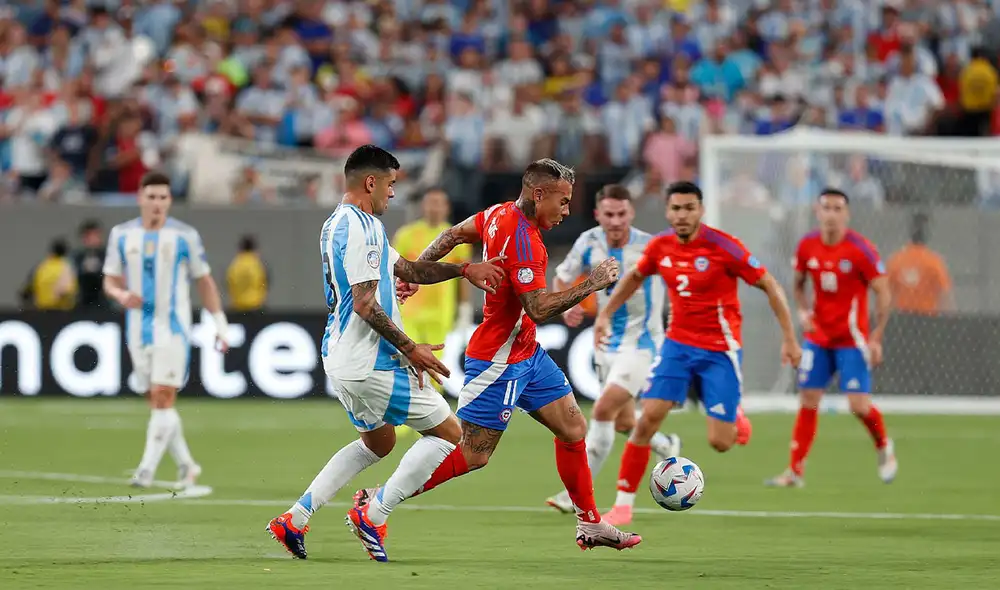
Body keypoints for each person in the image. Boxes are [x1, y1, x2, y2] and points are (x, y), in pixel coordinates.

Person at [359, 158, 643, 552]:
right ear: (538, 194)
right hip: (500, 358)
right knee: (473, 455)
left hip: (527, 352)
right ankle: (378, 501)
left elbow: (452, 235)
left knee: (573, 428)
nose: (566, 211)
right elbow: (538, 308)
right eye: (563, 202)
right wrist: (590, 284)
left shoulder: (498, 213)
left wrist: (416, 273)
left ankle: (590, 523)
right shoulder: (526, 241)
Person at [265, 146, 505, 562]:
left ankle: (295, 518)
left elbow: (409, 270)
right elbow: (364, 303)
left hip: (340, 356)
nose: (393, 193)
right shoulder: (364, 228)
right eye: (391, 184)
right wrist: (411, 348)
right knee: (453, 436)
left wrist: (464, 269)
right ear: (371, 182)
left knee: (379, 442)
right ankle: (373, 514)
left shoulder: (337, 223)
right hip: (370, 361)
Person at [600, 181, 801, 526]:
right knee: (647, 419)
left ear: (701, 210)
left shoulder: (724, 247)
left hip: (719, 350)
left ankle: (733, 414)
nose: (682, 215)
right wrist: (605, 314)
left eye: (689, 208)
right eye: (676, 208)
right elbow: (634, 277)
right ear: (668, 212)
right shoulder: (661, 246)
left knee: (721, 442)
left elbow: (770, 284)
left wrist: (790, 339)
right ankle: (623, 505)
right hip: (677, 346)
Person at [544, 184, 680, 514]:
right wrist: (567, 306)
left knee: (603, 410)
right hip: (605, 344)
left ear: (631, 213)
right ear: (598, 215)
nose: (616, 221)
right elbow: (561, 277)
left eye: (622, 214)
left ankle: (576, 494)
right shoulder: (588, 242)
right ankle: (665, 445)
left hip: (643, 344)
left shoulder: (650, 246)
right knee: (622, 422)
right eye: (609, 214)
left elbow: (678, 284)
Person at [102, 171, 230, 490]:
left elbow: (204, 280)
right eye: (152, 197)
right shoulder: (121, 234)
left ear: (170, 200)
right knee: (156, 400)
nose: (157, 203)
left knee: (162, 395)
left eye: (163, 197)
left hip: (172, 327)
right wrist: (120, 295)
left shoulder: (184, 236)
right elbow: (110, 279)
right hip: (137, 329)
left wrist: (219, 323)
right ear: (140, 198)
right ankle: (187, 465)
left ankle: (145, 470)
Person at [766, 188, 896, 488]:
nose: (832, 214)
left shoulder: (861, 250)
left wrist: (876, 336)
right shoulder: (807, 246)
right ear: (818, 211)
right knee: (808, 398)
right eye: (826, 207)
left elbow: (883, 291)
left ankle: (883, 445)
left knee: (858, 406)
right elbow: (797, 284)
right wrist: (803, 311)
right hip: (819, 338)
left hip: (852, 340)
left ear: (846, 214)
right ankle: (795, 471)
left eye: (838, 208)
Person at [393, 188, 474, 383]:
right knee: (406, 361)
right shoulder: (406, 235)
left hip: (440, 312)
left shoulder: (458, 238)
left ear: (447, 207)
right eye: (431, 202)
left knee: (434, 364)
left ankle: (431, 400)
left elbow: (463, 277)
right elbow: (393, 270)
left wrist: (464, 308)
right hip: (409, 311)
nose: (434, 208)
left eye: (439, 203)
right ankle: (409, 398)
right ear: (423, 206)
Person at [886, 213, 952, 315]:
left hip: (902, 318)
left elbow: (885, 294)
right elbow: (945, 296)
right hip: (928, 317)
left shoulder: (896, 260)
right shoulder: (934, 262)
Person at [25, 238, 77, 310]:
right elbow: (67, 291)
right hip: (62, 311)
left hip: (41, 310)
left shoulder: (40, 267)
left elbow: (27, 291)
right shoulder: (66, 267)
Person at [226, 235, 269, 311]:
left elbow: (229, 283)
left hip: (237, 307)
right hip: (256, 307)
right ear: (254, 249)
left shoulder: (235, 264)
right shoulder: (258, 264)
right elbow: (264, 283)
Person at [73, 220, 107, 309]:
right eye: (88, 236)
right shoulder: (77, 257)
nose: (93, 239)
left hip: (103, 303)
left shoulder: (107, 256)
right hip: (83, 302)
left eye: (96, 235)